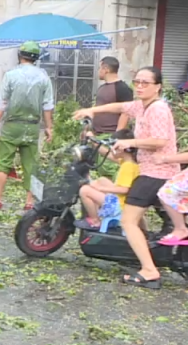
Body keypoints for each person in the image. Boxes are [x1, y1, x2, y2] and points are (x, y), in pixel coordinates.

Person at [73, 66, 178, 289]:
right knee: (146, 217)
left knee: (128, 221)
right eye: (137, 81)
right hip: (149, 170)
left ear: (158, 87)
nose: (139, 86)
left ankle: (149, 270)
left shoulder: (158, 109)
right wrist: (91, 110)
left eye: (145, 83)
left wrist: (131, 142)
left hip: (157, 173)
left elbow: (159, 141)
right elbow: (120, 106)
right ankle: (149, 252)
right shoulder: (142, 105)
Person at [0, 41, 55, 211]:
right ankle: (29, 202)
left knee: (3, 162)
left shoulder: (10, 75)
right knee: (31, 165)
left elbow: (2, 102)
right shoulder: (43, 77)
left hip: (11, 125)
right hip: (32, 127)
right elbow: (48, 105)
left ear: (20, 55)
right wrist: (49, 127)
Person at [78, 129, 138, 228]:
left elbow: (124, 189)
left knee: (84, 191)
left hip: (120, 205)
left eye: (113, 146)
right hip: (124, 201)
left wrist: (101, 189)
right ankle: (96, 212)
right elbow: (108, 154)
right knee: (102, 180)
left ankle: (95, 221)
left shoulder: (127, 167)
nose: (111, 148)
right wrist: (94, 142)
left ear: (122, 148)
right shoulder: (128, 161)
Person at [92, 56, 133, 135]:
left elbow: (126, 113)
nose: (98, 71)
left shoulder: (122, 88)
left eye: (99, 68)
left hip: (110, 134)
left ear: (106, 69)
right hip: (97, 134)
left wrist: (117, 135)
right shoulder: (102, 87)